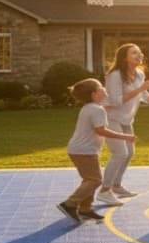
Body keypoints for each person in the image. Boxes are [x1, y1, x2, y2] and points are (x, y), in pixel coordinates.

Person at [96, 43, 149, 206]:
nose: (140, 55)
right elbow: (116, 101)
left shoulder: (139, 74)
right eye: (134, 53)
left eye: (140, 52)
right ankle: (104, 191)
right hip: (110, 117)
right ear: (125, 57)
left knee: (129, 153)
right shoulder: (115, 75)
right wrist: (141, 88)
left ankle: (116, 186)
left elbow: (146, 97)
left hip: (126, 120)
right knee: (120, 153)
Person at [58, 78, 138, 223]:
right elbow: (101, 131)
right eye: (101, 87)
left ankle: (85, 209)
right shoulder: (97, 109)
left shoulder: (90, 107)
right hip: (84, 151)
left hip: (81, 150)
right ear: (95, 94)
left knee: (89, 179)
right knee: (94, 180)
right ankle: (69, 204)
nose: (104, 89)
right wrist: (125, 136)